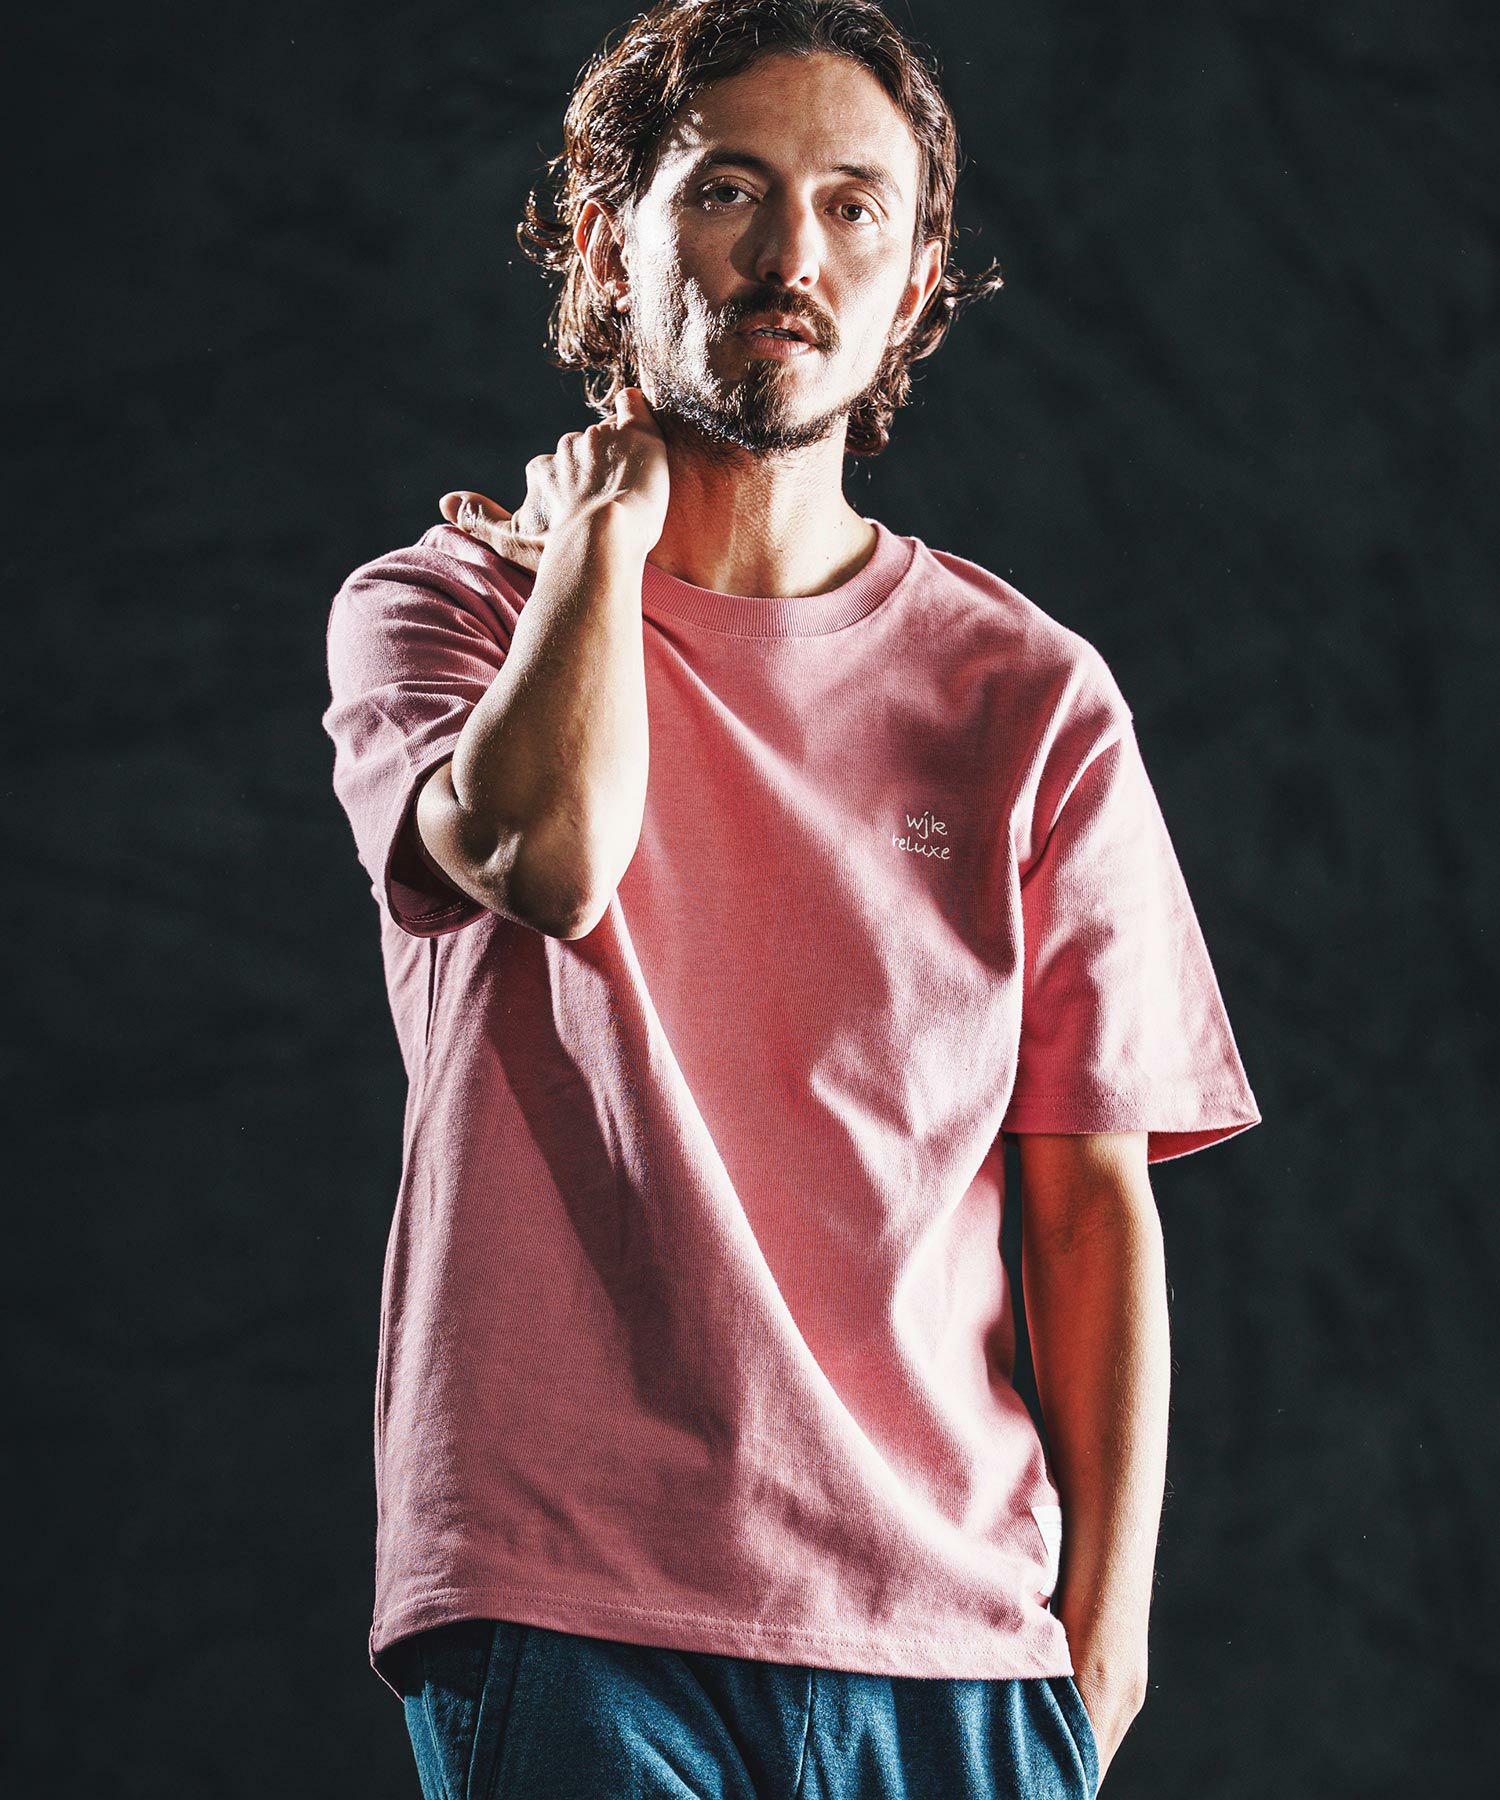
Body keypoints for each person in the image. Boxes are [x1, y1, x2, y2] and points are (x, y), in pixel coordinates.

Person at [320, 1, 1261, 1794]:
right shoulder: (446, 609)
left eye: (853, 207)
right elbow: (550, 856)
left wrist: (1106, 1646)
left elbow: (1089, 1203)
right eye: (728, 189)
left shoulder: (1031, 698)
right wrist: (601, 538)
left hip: (959, 1646)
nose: (790, 255)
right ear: (606, 240)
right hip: (573, 1609)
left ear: (915, 288)